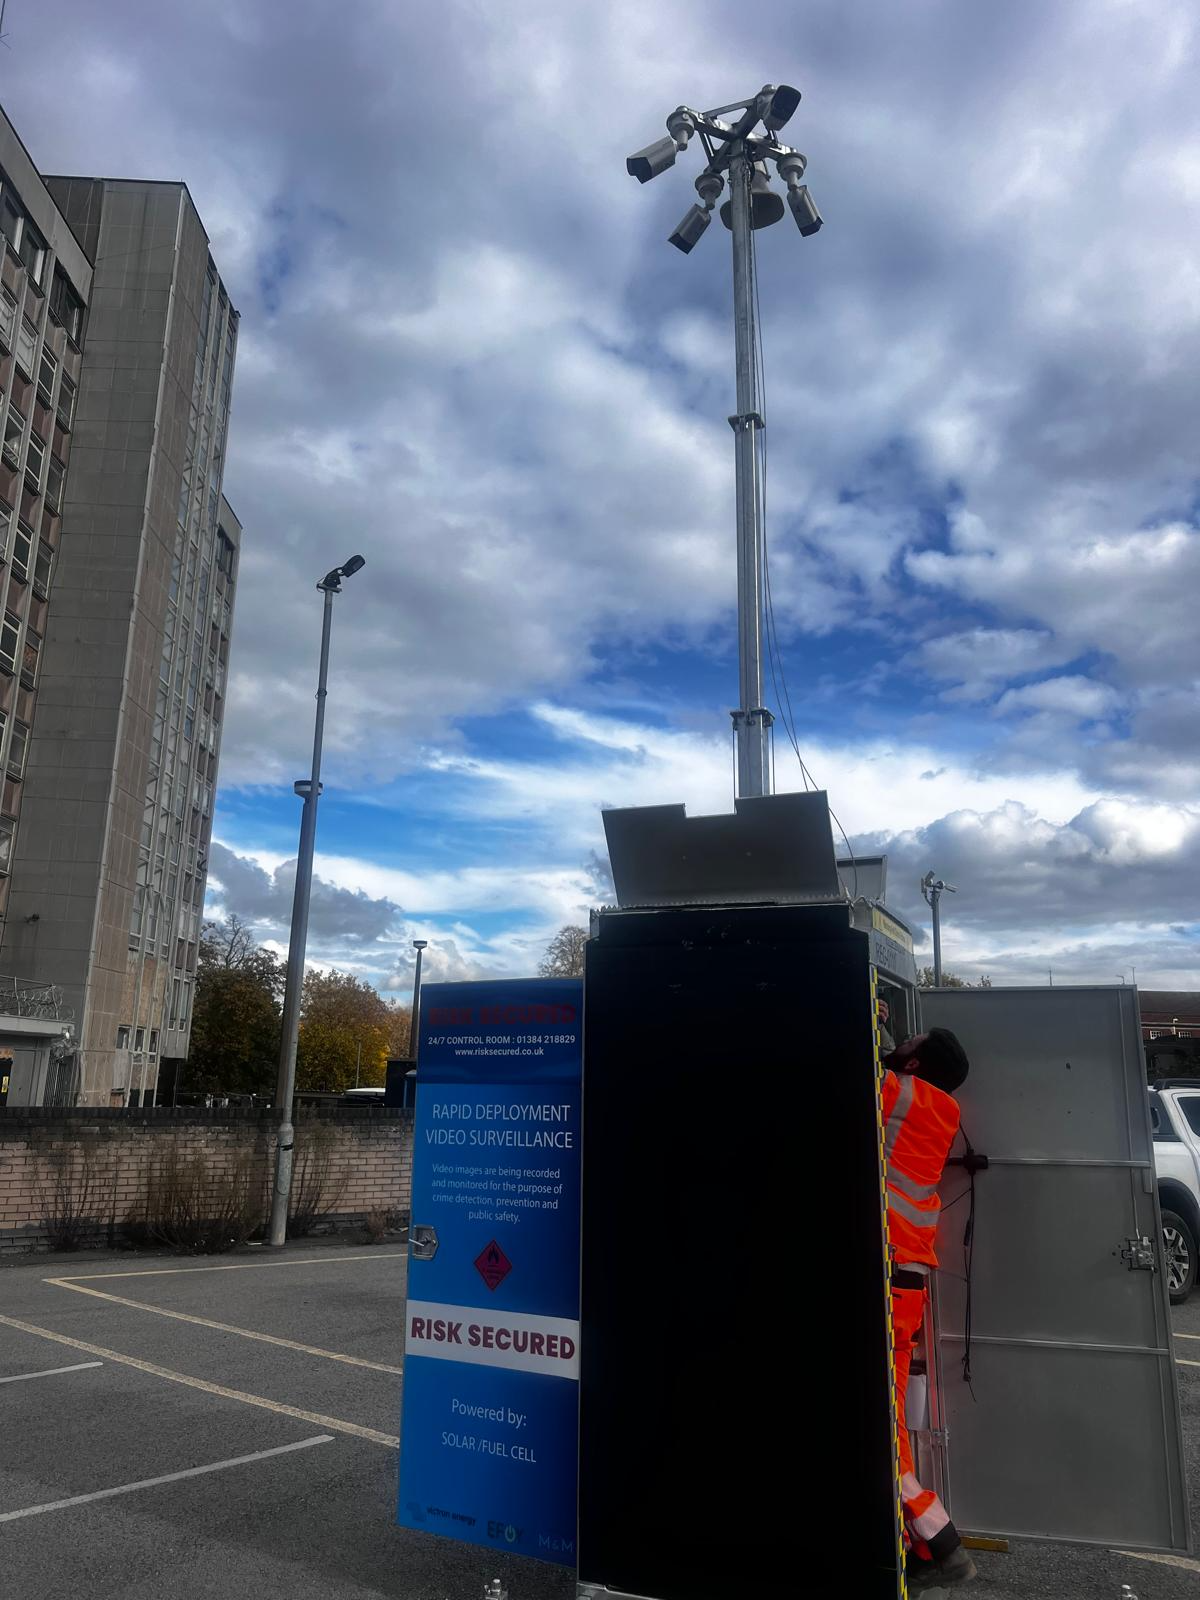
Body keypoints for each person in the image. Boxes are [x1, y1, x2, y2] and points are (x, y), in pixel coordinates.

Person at [878, 1009, 976, 1589]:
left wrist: (873, 1023)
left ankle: (940, 1541)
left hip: (891, 1277)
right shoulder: (945, 1107)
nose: (899, 1045)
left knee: (884, 1423)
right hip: (909, 1275)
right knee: (892, 1411)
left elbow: (859, 1066)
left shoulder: (901, 1091)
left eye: (907, 1043)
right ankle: (918, 1546)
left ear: (915, 1062)